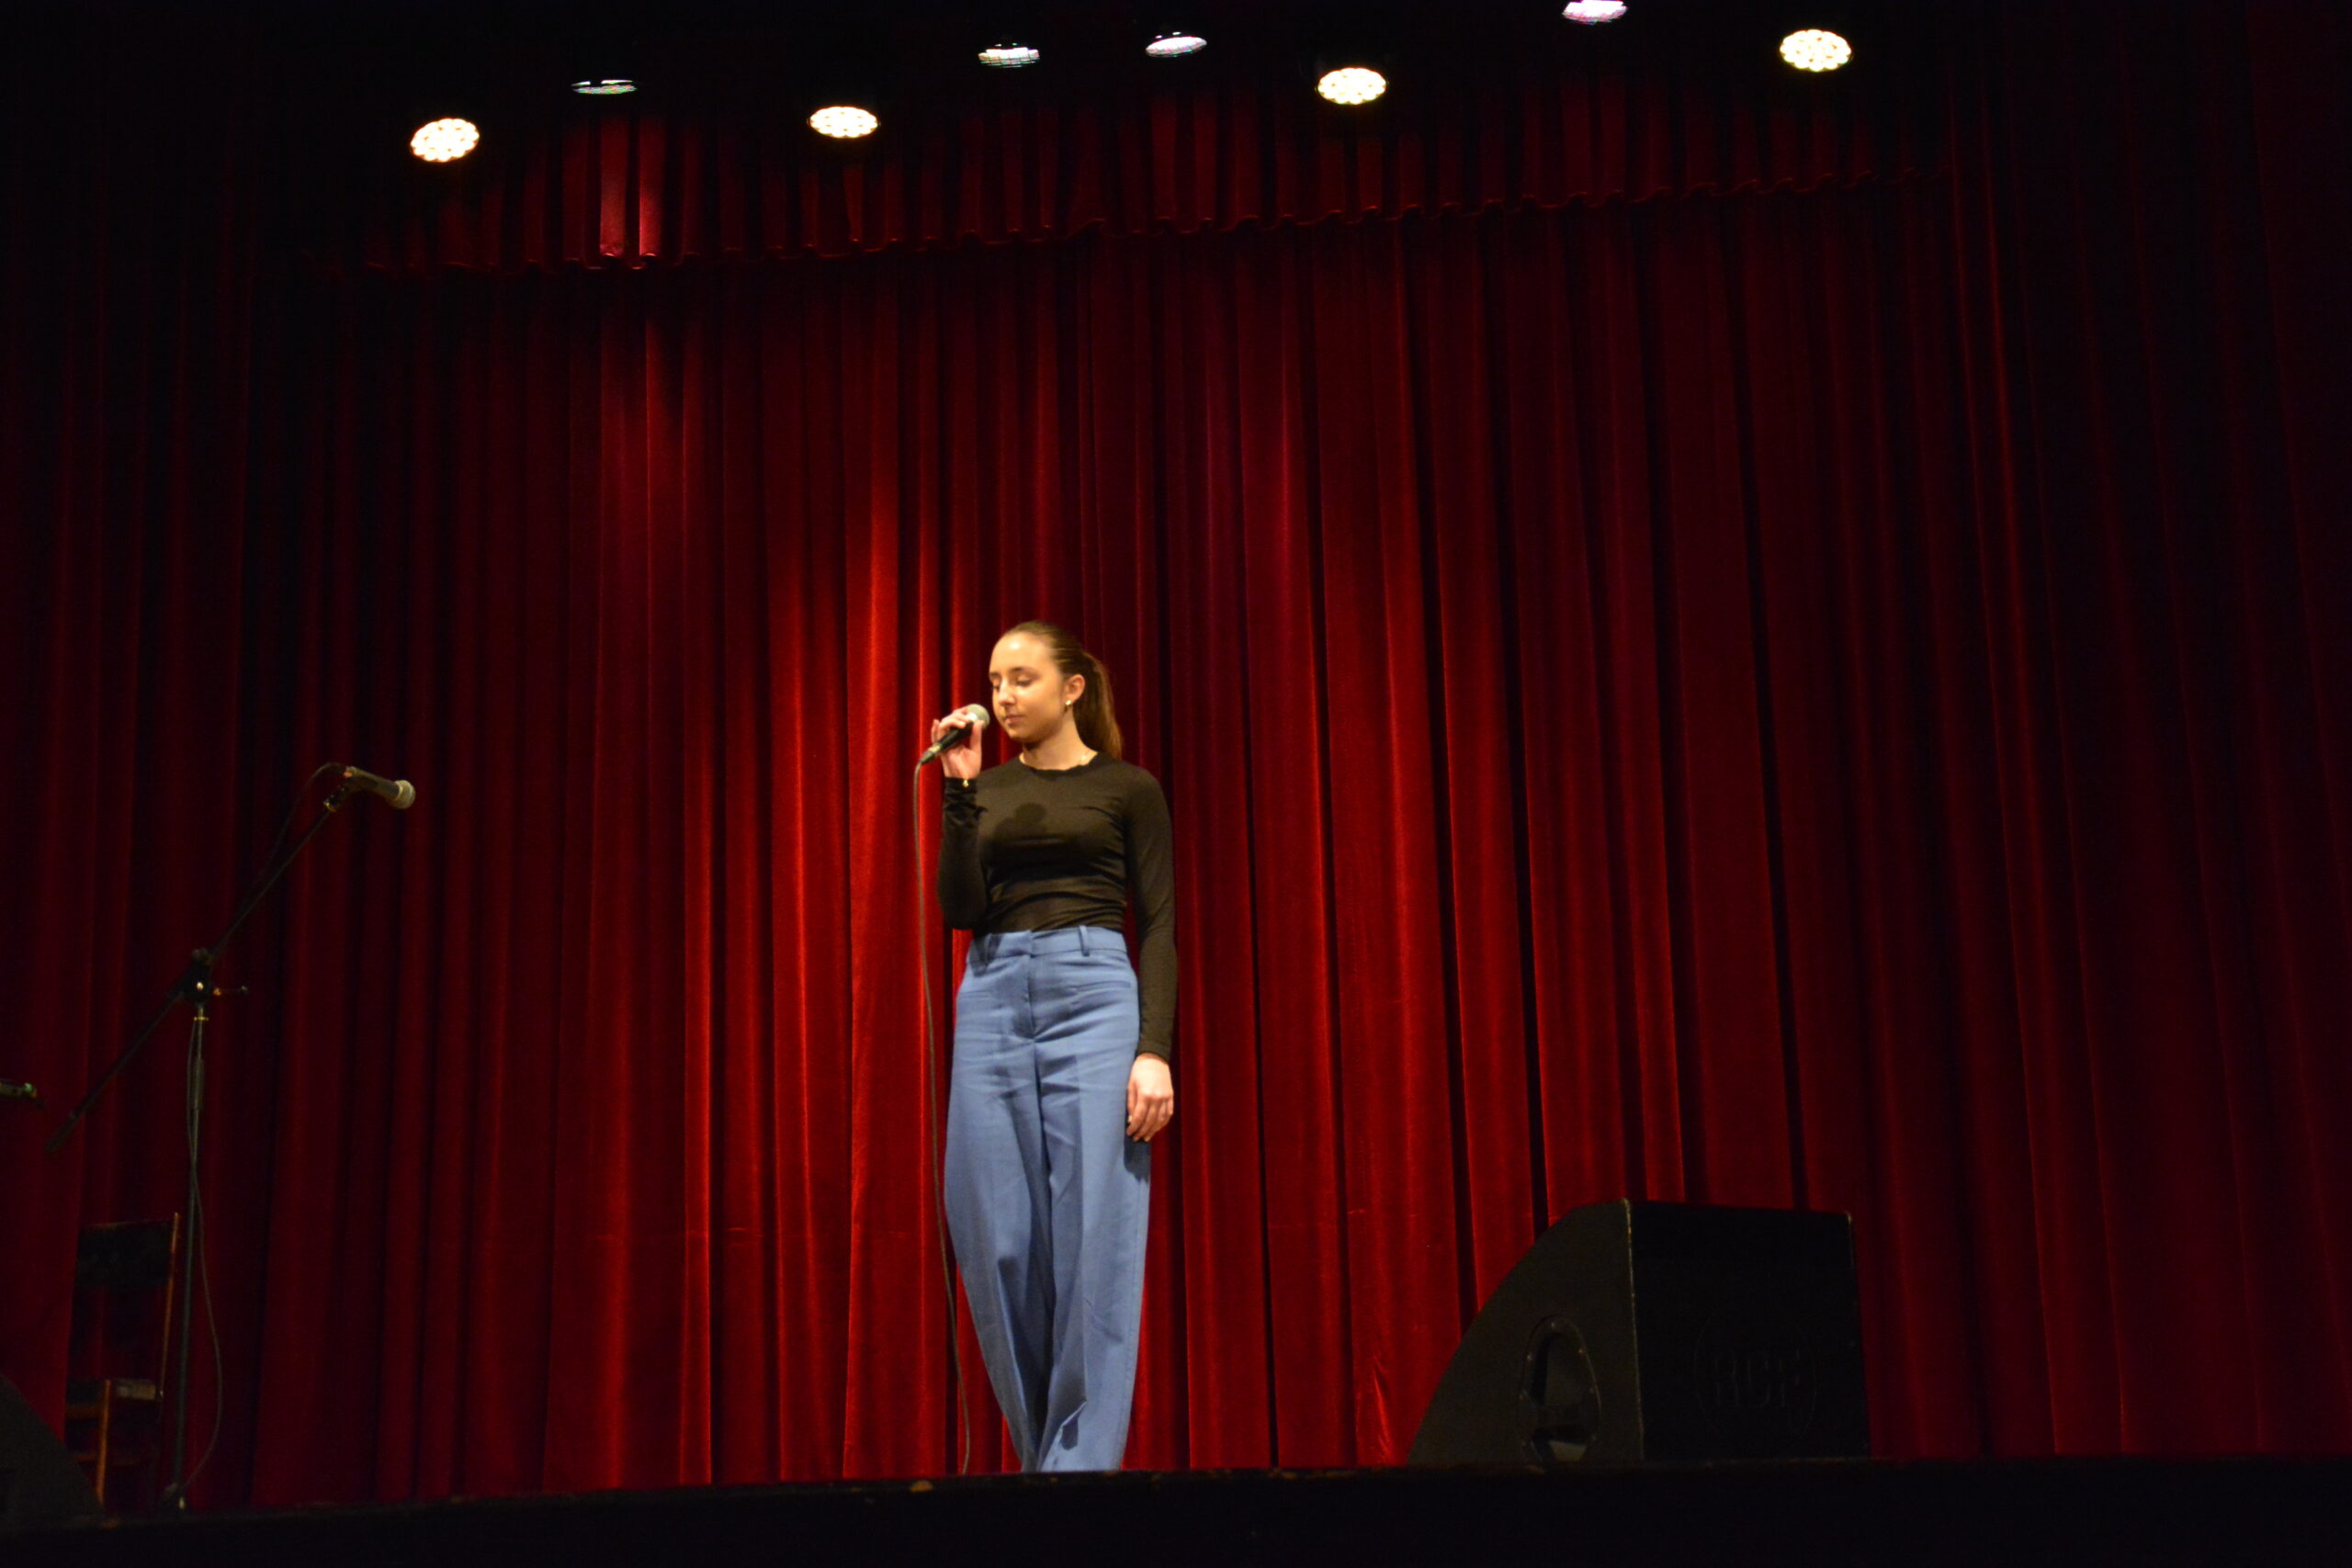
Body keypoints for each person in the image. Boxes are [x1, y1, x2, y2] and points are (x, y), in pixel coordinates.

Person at [930, 620, 1175, 1472]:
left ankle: (1078, 1473)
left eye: (1022, 679)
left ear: (1072, 688)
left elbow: (1160, 922)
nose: (1003, 697)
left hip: (1093, 990)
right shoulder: (986, 786)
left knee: (1094, 1234)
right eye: (995, 681)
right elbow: (960, 908)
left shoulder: (1127, 787)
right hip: (993, 990)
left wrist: (1154, 1047)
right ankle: (1049, 1466)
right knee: (992, 1230)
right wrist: (959, 793)